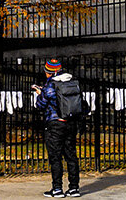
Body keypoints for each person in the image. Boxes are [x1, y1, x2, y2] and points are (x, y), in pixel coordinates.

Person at [31, 58, 87, 197]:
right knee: (71, 155)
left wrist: (39, 94)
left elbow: (41, 105)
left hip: (55, 123)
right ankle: (74, 188)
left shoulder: (51, 84)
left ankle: (57, 189)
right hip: (71, 122)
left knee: (55, 156)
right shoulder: (72, 81)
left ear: (49, 72)